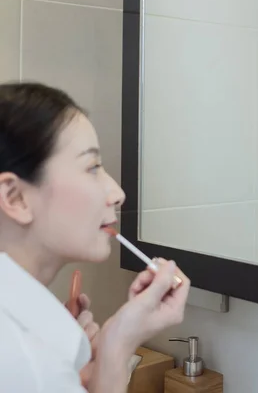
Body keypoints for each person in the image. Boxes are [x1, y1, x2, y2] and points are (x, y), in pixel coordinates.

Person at [0, 82, 191, 392]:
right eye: (92, 167)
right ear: (16, 197)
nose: (117, 193)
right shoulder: (23, 361)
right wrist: (117, 347)